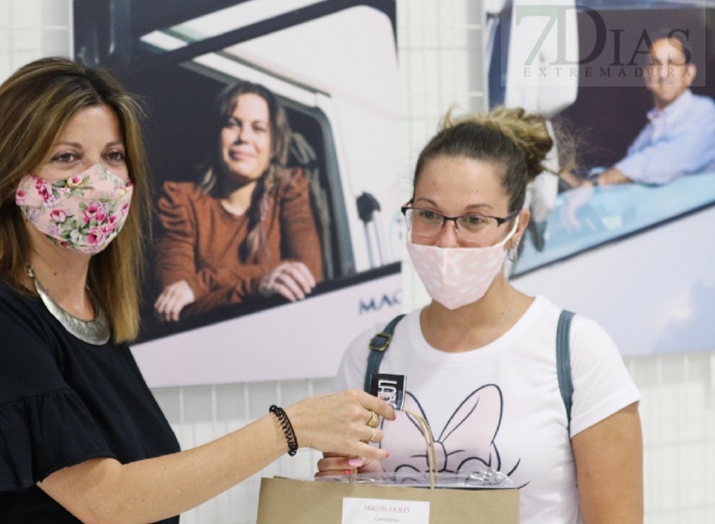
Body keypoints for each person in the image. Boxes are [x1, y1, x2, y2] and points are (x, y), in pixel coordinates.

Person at [0, 57, 395, 524]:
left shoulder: (98, 320)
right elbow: (108, 500)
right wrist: (288, 429)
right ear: (12, 179)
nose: (99, 181)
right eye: (67, 157)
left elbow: (149, 490)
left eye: (112, 156)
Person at [317, 106, 644, 523]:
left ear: (517, 226)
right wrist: (347, 491)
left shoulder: (576, 351)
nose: (447, 241)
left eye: (473, 220)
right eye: (429, 214)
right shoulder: (370, 356)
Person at [153, 81, 323, 323]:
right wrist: (257, 286)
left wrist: (201, 284)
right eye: (232, 124)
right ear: (216, 135)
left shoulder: (290, 189)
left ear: (274, 143)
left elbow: (307, 272)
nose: (244, 137)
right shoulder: (179, 201)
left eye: (258, 129)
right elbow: (174, 309)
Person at [567, 34, 715, 188]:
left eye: (672, 64)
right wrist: (580, 181)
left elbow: (660, 163)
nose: (664, 74)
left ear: (689, 74)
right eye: (656, 65)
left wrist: (597, 182)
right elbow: (625, 176)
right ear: (646, 77)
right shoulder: (649, 130)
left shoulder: (705, 114)